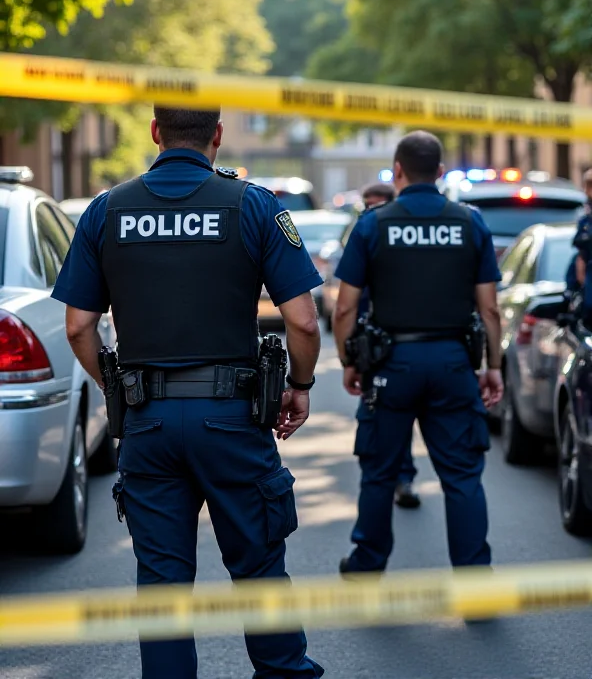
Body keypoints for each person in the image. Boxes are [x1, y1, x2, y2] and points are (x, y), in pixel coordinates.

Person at [51, 107, 325, 679]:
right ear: (218, 135)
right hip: (232, 421)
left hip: (147, 424)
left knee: (163, 591)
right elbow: (302, 321)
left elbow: (79, 325)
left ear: (155, 133)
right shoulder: (253, 205)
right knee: (258, 571)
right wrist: (299, 386)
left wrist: (117, 390)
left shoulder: (107, 209)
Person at [333, 131, 504, 576]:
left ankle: (368, 563)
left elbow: (346, 306)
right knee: (463, 476)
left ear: (398, 171)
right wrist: (494, 367)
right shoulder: (470, 221)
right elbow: (490, 307)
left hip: (391, 365)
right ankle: (474, 576)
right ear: (441, 172)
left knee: (379, 472)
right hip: (452, 363)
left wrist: (350, 360)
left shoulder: (372, 224)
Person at [361, 183, 420, 509]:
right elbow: (349, 302)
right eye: (367, 205)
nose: (372, 210)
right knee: (379, 426)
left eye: (378, 204)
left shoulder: (387, 231)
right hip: (375, 347)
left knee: (400, 418)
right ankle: (393, 478)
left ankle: (404, 478)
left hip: (400, 345)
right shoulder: (365, 230)